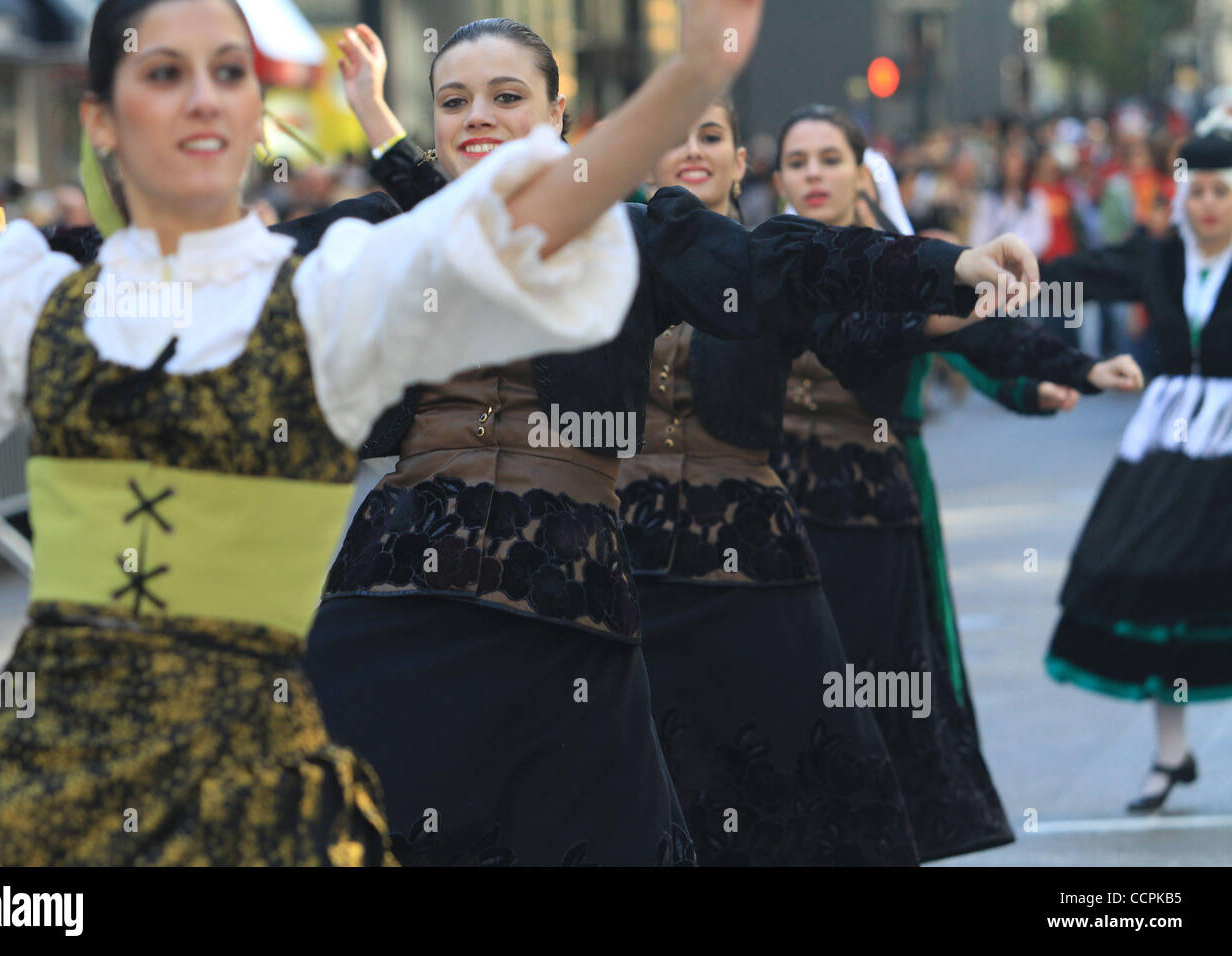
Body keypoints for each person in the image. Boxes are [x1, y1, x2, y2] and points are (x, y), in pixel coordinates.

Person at [0, 0, 754, 865]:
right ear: (99, 116)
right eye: (165, 73)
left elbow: (518, 227)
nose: (203, 100)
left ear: (257, 114)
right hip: (46, 769)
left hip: (255, 792)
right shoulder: (29, 296)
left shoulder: (330, 289)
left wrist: (691, 77)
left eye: (229, 72)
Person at [305, 21, 1041, 865]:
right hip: (396, 593)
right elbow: (222, 273)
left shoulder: (638, 236)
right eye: (453, 101)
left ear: (560, 117)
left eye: (506, 97)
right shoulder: (380, 230)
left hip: (565, 600)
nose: (478, 116)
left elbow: (784, 266)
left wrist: (947, 265)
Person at [768, 104, 1144, 859]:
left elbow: (982, 331)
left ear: (862, 169)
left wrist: (1066, 372)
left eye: (829, 159)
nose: (814, 173)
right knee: (794, 696)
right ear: (777, 176)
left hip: (880, 498)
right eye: (798, 160)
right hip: (781, 506)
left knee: (884, 693)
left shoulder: (910, 259)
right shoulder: (759, 259)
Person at [1043, 120, 1232, 813]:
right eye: (1196, 190)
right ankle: (1170, 756)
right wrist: (986, 271)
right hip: (1172, 444)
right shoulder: (1160, 258)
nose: (1207, 203)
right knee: (1162, 590)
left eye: (1221, 190)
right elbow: (1080, 274)